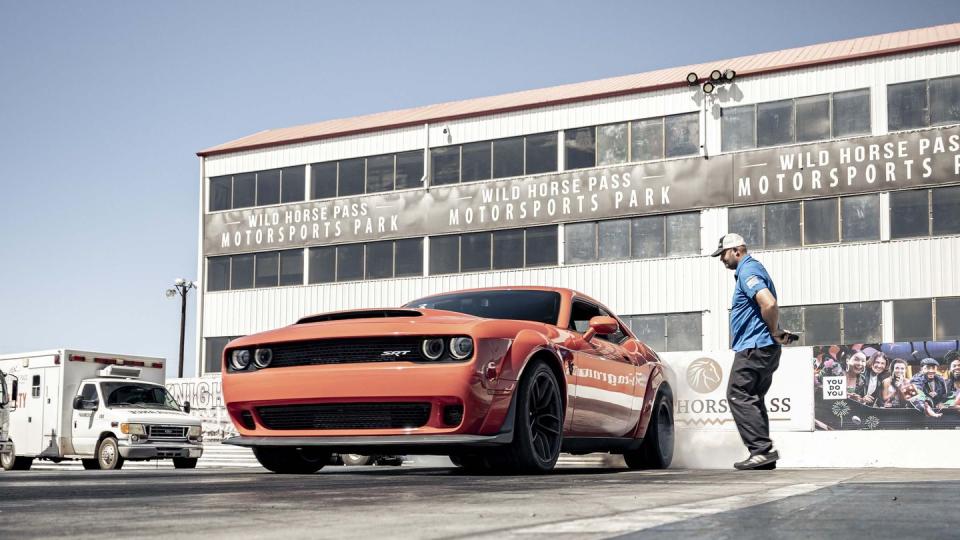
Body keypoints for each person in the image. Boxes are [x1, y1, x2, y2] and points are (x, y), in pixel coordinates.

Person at [711, 233, 792, 471]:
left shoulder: (748, 271)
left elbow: (769, 303)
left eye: (723, 254)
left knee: (738, 393)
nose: (722, 260)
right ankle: (763, 455)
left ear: (737, 250)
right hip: (763, 347)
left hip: (754, 347)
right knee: (753, 398)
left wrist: (774, 330)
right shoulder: (751, 270)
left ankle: (761, 450)